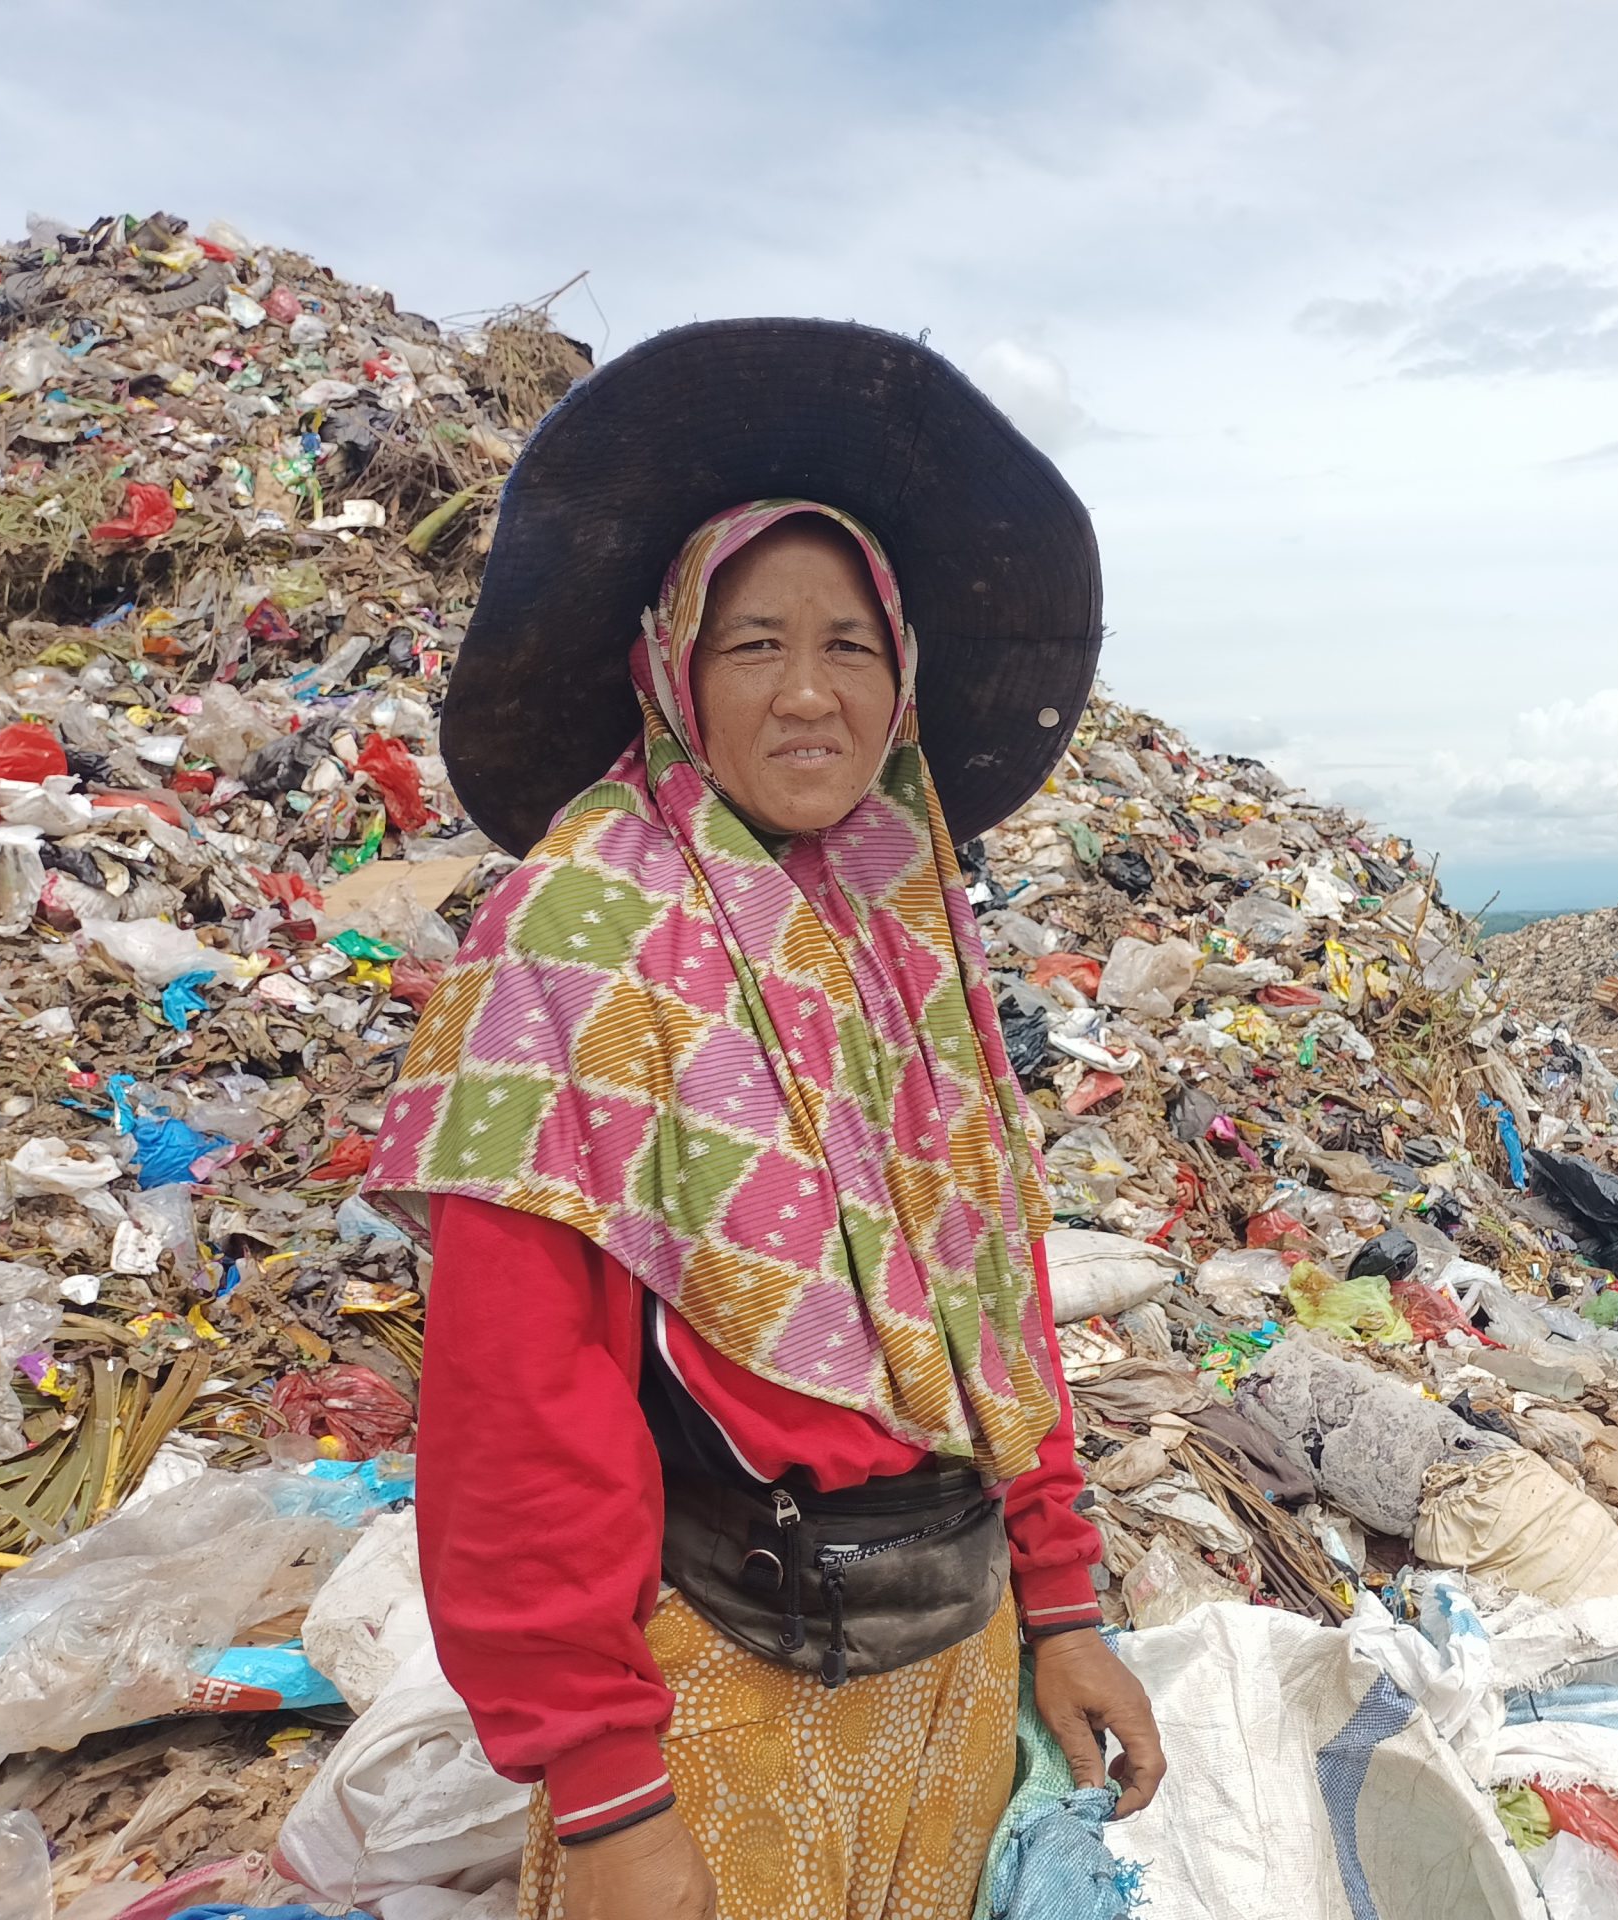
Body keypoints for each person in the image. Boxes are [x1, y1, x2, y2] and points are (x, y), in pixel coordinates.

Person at [365, 320, 1163, 1920]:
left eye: (852, 647)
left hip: (955, 1658)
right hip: (723, 1695)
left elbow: (990, 1304)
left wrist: (1064, 1604)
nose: (809, 695)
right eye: (753, 646)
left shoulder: (902, 932)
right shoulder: (575, 941)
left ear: (905, 679)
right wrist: (606, 1798)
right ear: (672, 671)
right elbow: (521, 1408)